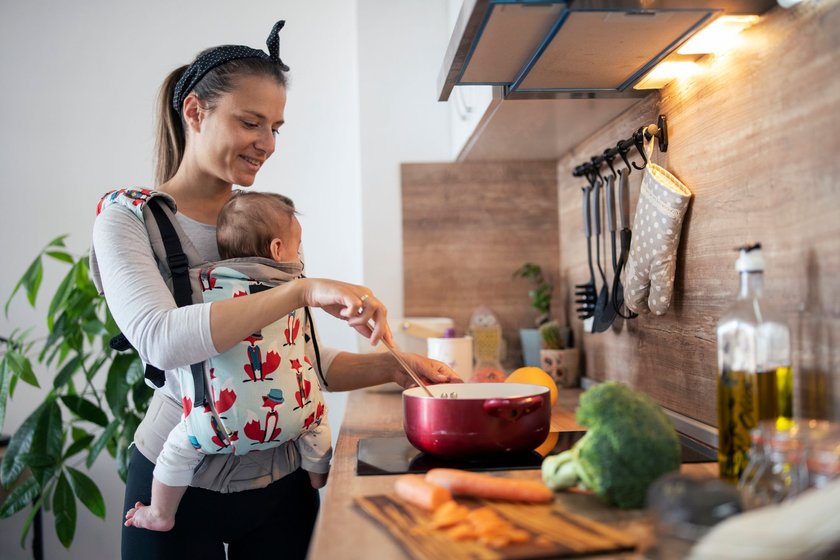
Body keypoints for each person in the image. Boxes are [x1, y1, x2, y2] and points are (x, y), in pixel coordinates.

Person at [90, 20, 461, 560]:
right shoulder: (129, 217)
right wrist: (303, 290)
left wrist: (395, 367)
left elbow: (293, 360)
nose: (266, 143)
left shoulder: (267, 220)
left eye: (276, 128)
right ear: (194, 112)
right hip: (175, 486)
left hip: (284, 486)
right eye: (250, 122)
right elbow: (161, 341)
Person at [122, 191, 332, 533]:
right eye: (298, 245)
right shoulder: (295, 286)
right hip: (295, 415)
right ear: (278, 250)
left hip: (216, 421)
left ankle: (160, 513)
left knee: (176, 449)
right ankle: (317, 474)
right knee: (318, 423)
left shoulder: (201, 287)